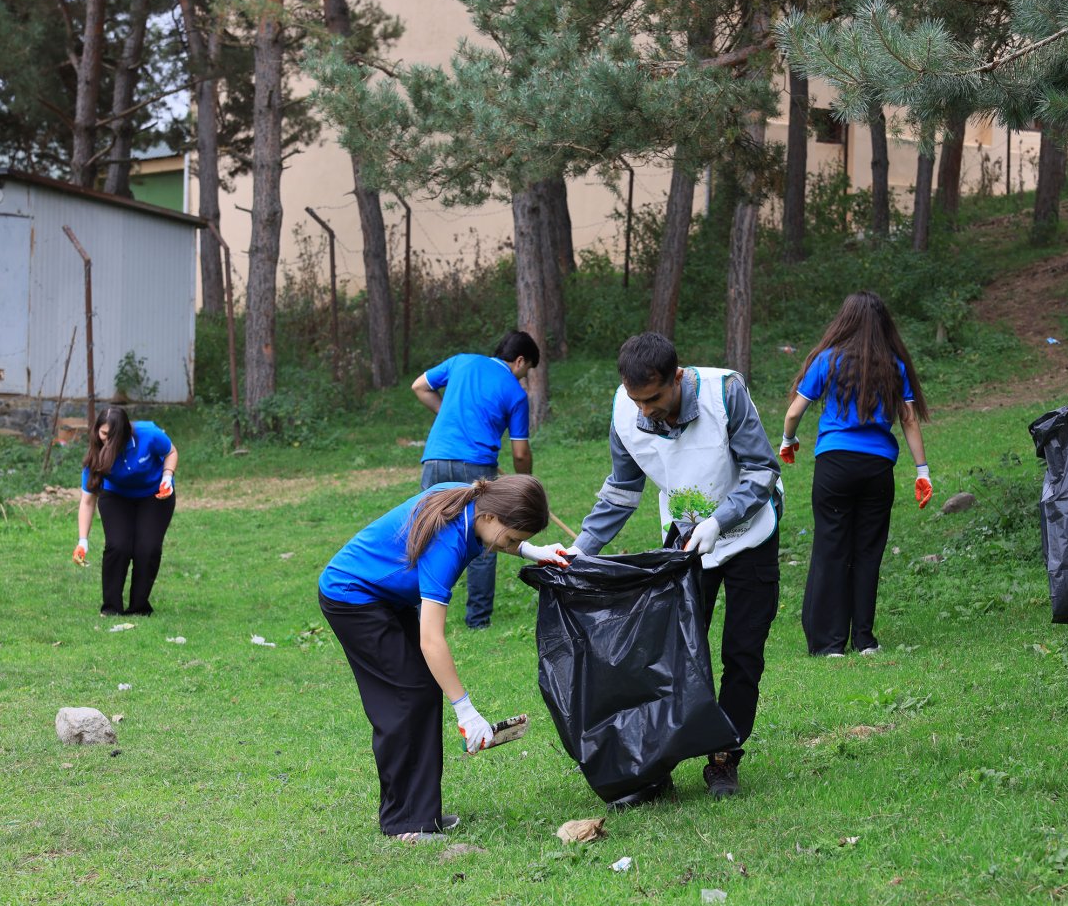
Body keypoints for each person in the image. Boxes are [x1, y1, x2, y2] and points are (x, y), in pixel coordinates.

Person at [570, 332, 781, 803]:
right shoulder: (626, 411)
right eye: (636, 399)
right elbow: (622, 491)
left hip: (749, 537)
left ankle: (724, 757)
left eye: (655, 398)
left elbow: (763, 471)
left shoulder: (724, 392)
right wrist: (580, 549)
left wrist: (720, 520)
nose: (645, 409)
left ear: (677, 378)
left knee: (742, 653)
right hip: (685, 548)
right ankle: (658, 760)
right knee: (676, 656)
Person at [318, 475, 571, 841]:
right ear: (489, 518)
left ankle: (417, 815)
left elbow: (496, 536)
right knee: (405, 697)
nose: (513, 546)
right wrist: (466, 711)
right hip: (352, 598)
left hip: (383, 597)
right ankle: (406, 824)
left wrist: (534, 551)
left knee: (417, 691)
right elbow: (432, 641)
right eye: (514, 539)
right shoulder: (448, 543)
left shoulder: (471, 499)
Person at [778, 292, 932, 657]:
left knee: (831, 548)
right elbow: (909, 421)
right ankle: (864, 640)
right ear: (883, 325)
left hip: (835, 466)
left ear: (843, 321)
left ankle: (830, 644)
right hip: (878, 469)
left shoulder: (827, 360)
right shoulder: (894, 365)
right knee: (868, 552)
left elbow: (793, 413)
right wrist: (921, 472)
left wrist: (788, 441)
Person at [410, 330, 540, 629]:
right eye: (526, 371)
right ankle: (478, 621)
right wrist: (524, 487)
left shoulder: (461, 362)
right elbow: (520, 453)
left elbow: (419, 386)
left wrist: (448, 414)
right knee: (484, 539)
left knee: (425, 532)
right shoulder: (516, 393)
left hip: (435, 460)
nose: (523, 379)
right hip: (477, 468)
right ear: (520, 361)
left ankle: (415, 614)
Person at [73, 406, 178, 616]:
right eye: (103, 434)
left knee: (147, 549)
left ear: (126, 432)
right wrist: (82, 541)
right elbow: (87, 501)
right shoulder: (96, 453)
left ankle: (139, 608)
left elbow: (171, 452)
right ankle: (111, 608)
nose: (107, 440)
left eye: (113, 436)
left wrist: (167, 477)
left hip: (154, 495)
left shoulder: (148, 435)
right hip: (116, 497)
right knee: (118, 546)